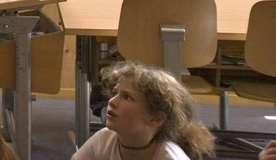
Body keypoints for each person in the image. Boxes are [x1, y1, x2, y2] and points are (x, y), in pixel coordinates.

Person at [73, 61, 215, 160]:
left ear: (156, 118)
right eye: (115, 93)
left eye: (127, 97)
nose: (112, 101)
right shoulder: (104, 139)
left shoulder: (170, 157)